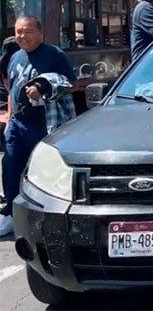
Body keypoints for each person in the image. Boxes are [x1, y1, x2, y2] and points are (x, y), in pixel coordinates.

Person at [0, 16, 77, 236]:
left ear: (40, 33)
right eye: (18, 31)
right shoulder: (15, 56)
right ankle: (10, 215)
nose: (22, 36)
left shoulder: (54, 54)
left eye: (28, 31)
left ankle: (49, 216)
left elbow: (72, 84)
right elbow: (12, 89)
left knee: (44, 170)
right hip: (18, 122)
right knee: (11, 165)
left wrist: (44, 86)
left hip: (44, 121)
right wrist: (10, 116)